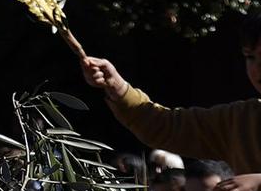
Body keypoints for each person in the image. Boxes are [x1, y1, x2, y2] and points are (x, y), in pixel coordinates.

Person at [81, 40, 261, 173]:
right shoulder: (241, 120)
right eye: (251, 57)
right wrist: (118, 88)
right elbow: (167, 127)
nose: (258, 67)